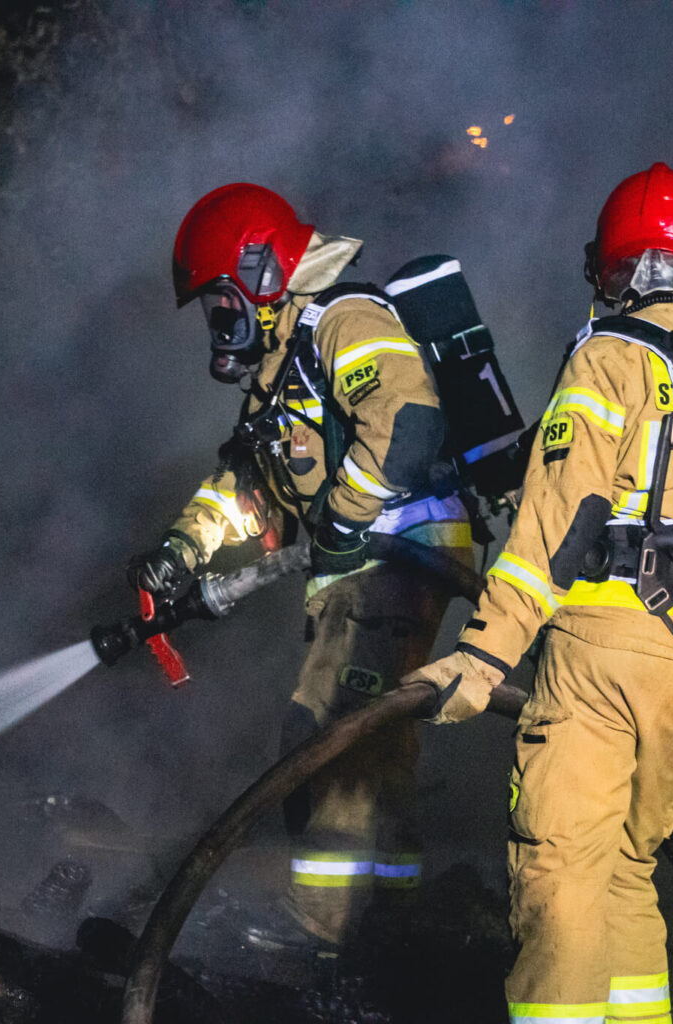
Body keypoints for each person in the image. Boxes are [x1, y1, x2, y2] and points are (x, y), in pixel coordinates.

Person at [405, 162, 673, 1022]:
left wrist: (484, 655)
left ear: (624, 270)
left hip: (598, 655)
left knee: (560, 873)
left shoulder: (611, 356)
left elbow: (554, 524)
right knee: (630, 872)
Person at [128, 183, 471, 947]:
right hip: (364, 566)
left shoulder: (344, 320)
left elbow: (408, 419)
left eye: (221, 305)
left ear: (259, 270)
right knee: (373, 743)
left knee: (329, 734)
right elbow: (251, 486)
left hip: (400, 554)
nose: (219, 327)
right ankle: (389, 923)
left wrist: (349, 515)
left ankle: (321, 932)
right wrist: (184, 549)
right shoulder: (282, 366)